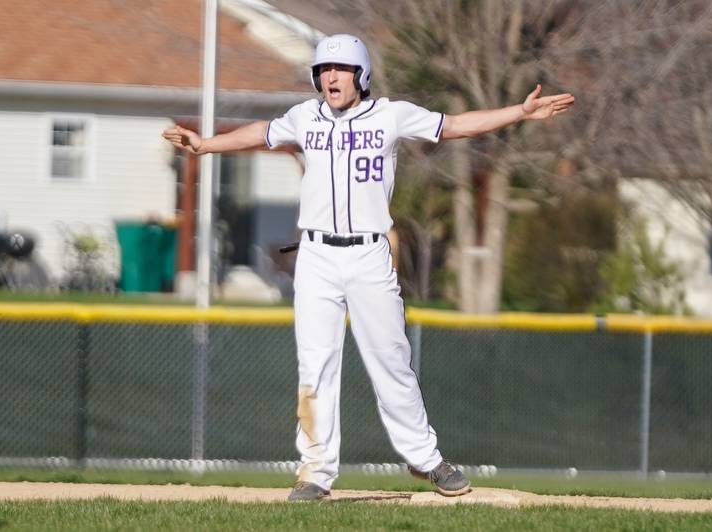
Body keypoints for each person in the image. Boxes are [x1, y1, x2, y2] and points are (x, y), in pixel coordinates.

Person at [163, 34, 574, 501]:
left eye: (340, 69)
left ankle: (424, 458)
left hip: (369, 253)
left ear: (361, 74)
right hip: (316, 255)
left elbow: (455, 125)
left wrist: (519, 113)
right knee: (315, 367)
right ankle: (316, 470)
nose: (330, 77)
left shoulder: (390, 115)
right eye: (323, 70)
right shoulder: (305, 117)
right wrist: (205, 145)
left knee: (391, 360)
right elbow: (262, 131)